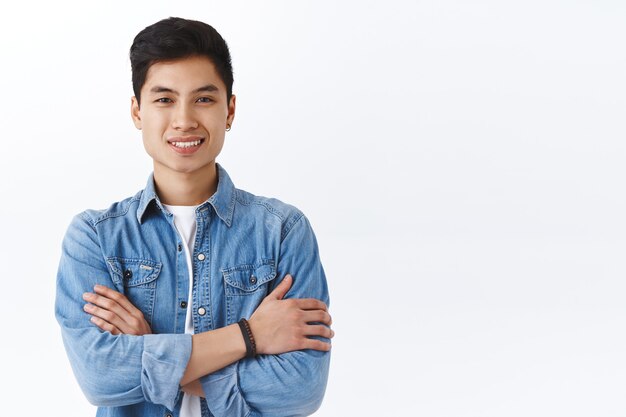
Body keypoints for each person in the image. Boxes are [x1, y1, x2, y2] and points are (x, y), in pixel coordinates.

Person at [55, 17, 333, 417]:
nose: (184, 119)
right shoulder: (96, 238)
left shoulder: (283, 231)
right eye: (164, 99)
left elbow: (300, 389)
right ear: (137, 111)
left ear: (230, 110)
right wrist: (249, 336)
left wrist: (150, 350)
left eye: (203, 98)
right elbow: (100, 377)